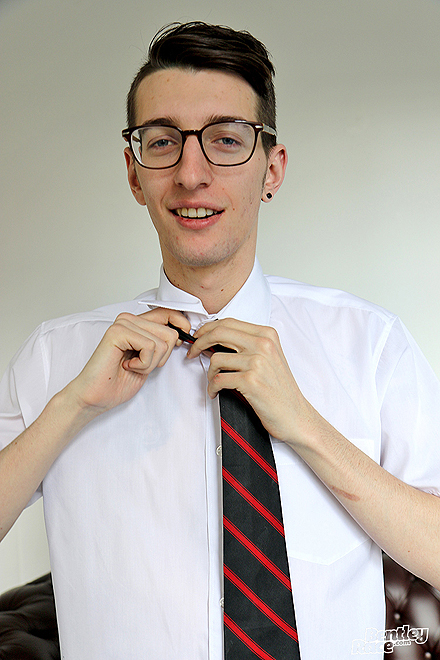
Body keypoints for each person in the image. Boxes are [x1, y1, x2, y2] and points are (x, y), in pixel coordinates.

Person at [1, 21, 440, 660]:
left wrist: (303, 425)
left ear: (272, 169)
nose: (191, 174)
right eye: (162, 142)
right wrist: (74, 406)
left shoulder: (371, 345)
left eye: (226, 140)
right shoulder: (56, 357)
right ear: (134, 174)